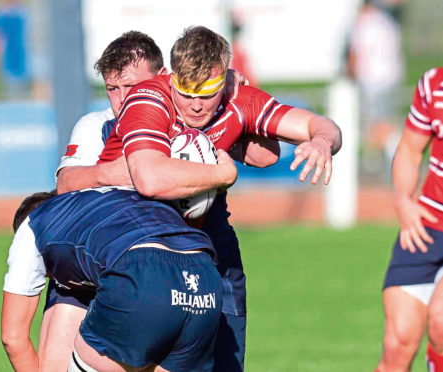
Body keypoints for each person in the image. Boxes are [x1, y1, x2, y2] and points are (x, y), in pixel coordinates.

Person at [92, 26, 341, 371]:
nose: (195, 105)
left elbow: (319, 125)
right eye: (186, 92)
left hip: (206, 242)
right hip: (132, 242)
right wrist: (224, 174)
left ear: (225, 81)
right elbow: (149, 180)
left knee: (227, 360)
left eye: (206, 94)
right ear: (171, 78)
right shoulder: (150, 98)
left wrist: (321, 142)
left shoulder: (238, 99)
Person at [52, 30, 279, 372]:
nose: (121, 99)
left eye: (131, 87)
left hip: (210, 259)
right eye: (112, 89)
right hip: (117, 262)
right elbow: (66, 184)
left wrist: (230, 90)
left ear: (164, 80)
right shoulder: (95, 126)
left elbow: (266, 153)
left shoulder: (196, 113)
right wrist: (115, 172)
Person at [2, 187, 222, 372]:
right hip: (205, 274)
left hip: (142, 272)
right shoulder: (102, 203)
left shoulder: (31, 227)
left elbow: (13, 338)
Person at [376, 67, 443, 372]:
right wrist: (403, 200)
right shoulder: (434, 84)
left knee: (441, 321)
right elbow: (409, 150)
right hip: (426, 226)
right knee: (397, 344)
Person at [347, 0, 405, 176]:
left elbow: (356, 53)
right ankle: (385, 157)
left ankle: (391, 157)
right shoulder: (387, 22)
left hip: (372, 79)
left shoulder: (364, 23)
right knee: (384, 119)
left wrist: (350, 75)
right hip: (391, 77)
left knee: (376, 123)